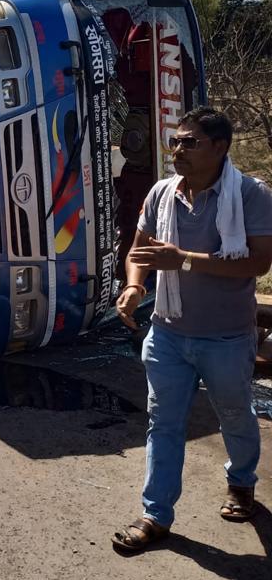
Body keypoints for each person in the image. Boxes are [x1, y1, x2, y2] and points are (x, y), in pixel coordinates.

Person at [112, 107, 272, 553]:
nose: (177, 150)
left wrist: (182, 260)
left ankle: (241, 481)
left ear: (220, 147)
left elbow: (259, 263)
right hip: (167, 333)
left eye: (189, 142)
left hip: (226, 337)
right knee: (163, 423)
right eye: (175, 141)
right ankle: (155, 514)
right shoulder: (162, 193)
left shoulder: (250, 194)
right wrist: (134, 286)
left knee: (234, 415)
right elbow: (139, 251)